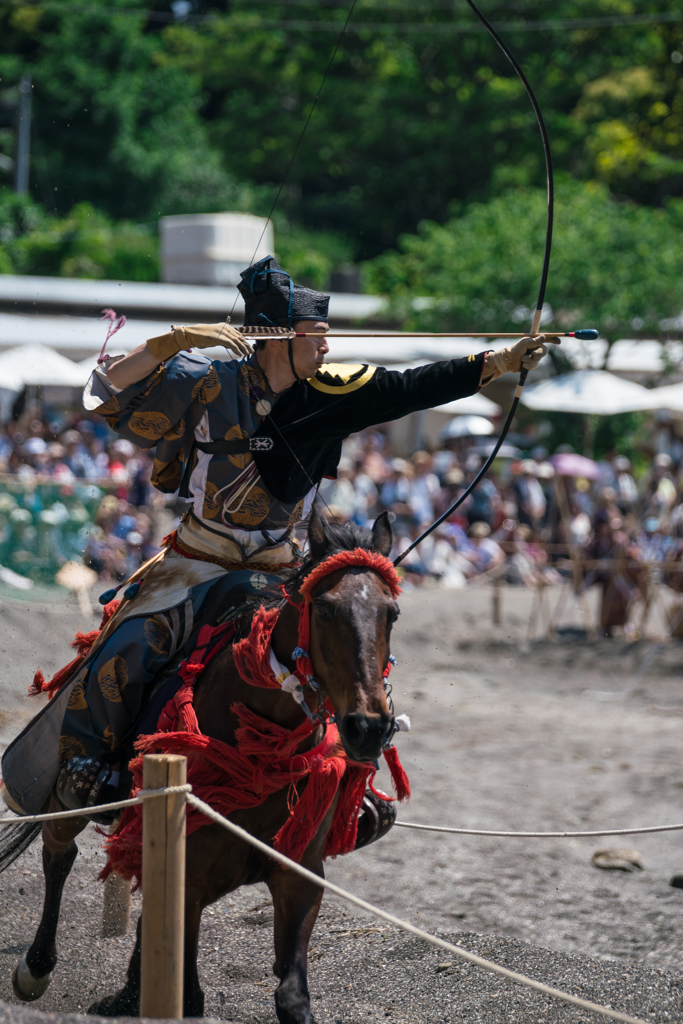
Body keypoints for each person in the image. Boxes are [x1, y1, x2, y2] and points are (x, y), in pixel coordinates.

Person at [7, 254, 554, 817]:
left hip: (276, 566)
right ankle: (91, 765)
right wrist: (174, 340)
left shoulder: (329, 391)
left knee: (346, 648)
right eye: (316, 335)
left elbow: (409, 387)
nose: (326, 347)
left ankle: (350, 783)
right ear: (276, 339)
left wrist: (500, 360)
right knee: (131, 643)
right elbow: (104, 392)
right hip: (201, 558)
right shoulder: (207, 381)